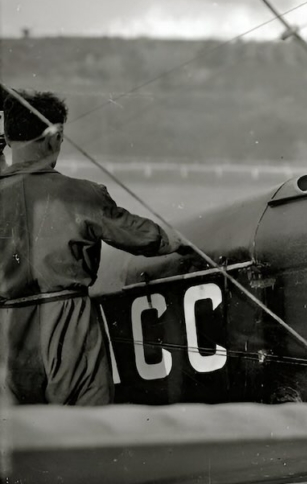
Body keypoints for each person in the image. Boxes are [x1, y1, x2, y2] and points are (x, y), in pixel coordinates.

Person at [0, 89, 186, 405]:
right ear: (53, 136)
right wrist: (179, 241)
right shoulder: (82, 194)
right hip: (69, 322)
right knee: (84, 423)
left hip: (6, 331)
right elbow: (144, 238)